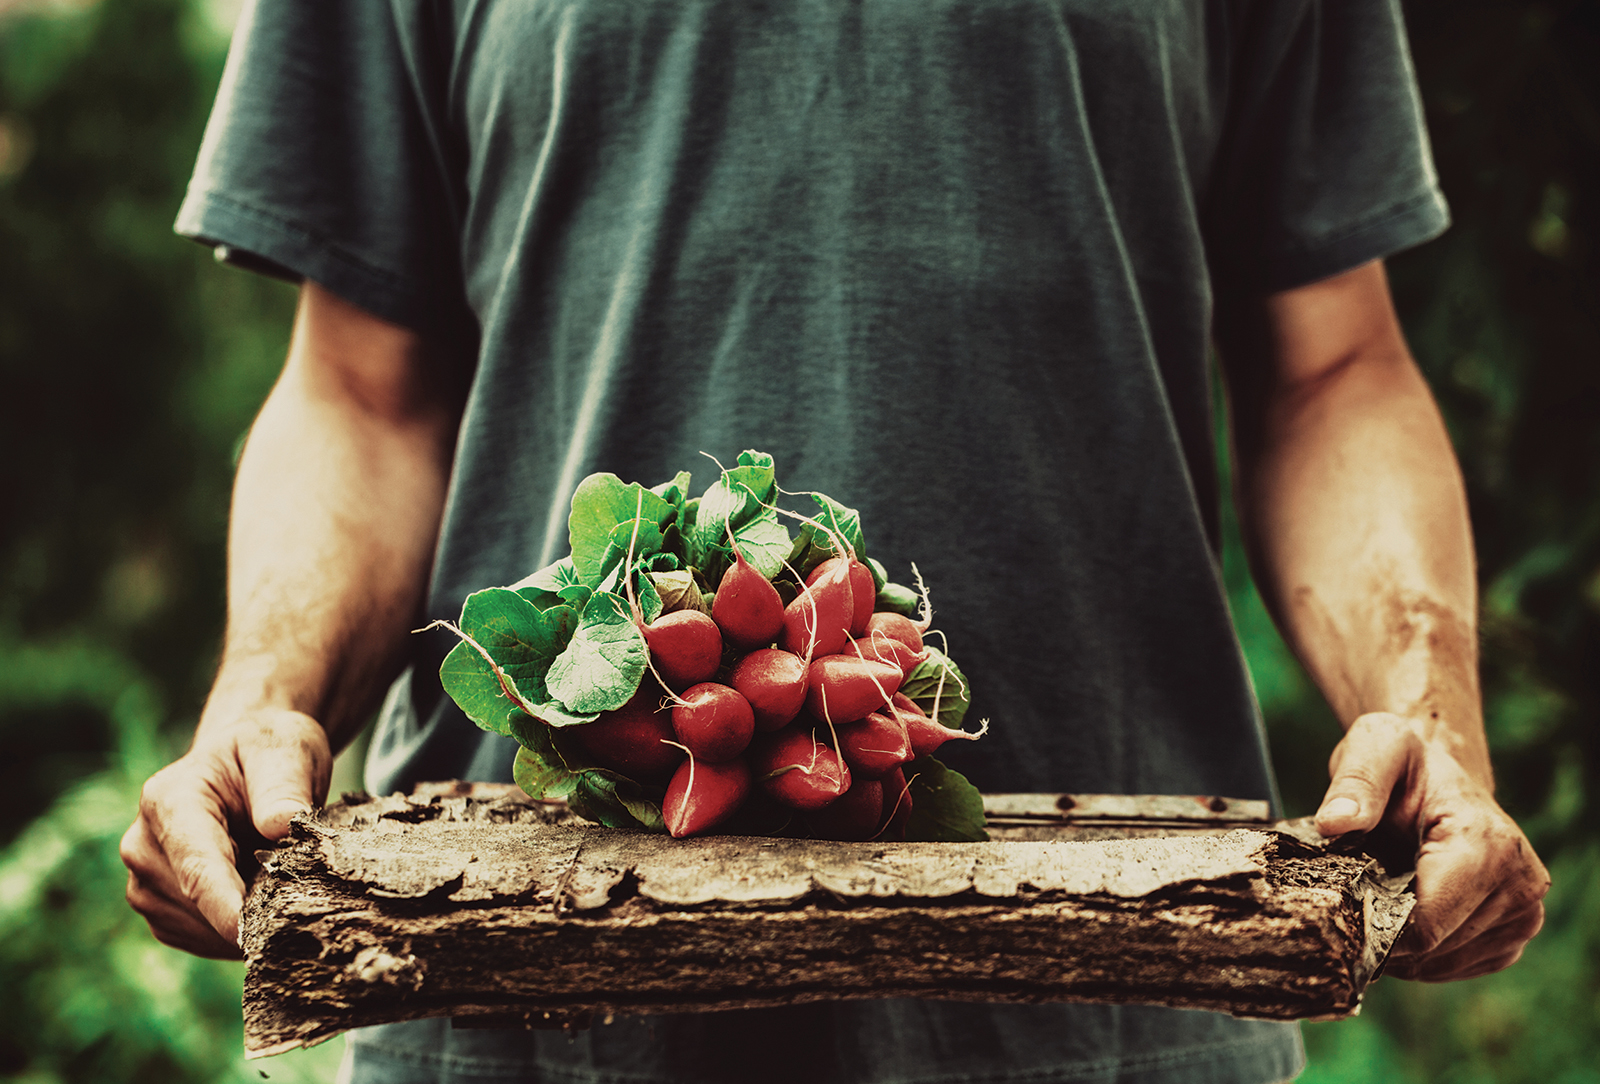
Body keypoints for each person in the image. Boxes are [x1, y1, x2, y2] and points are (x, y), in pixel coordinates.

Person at [121, 0, 1550, 1081]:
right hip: (520, 1002)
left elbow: (1333, 367)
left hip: (1122, 1002)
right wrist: (265, 702)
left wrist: (1435, 723)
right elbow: (363, 392)